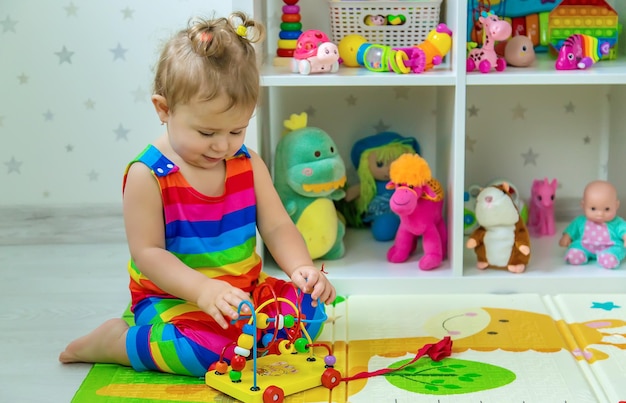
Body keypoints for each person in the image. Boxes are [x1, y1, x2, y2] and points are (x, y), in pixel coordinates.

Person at [59, 12, 336, 377]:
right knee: (211, 354)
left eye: (237, 130)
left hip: (243, 293)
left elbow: (277, 226)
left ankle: (247, 335)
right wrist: (204, 291)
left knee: (311, 313)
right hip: (175, 298)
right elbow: (148, 254)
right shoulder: (149, 175)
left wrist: (301, 269)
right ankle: (118, 342)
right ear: (164, 109)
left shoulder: (247, 164)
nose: (223, 145)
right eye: (207, 133)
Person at [559, 180, 626, 269]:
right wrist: (567, 237)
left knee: (618, 249)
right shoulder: (580, 221)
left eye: (606, 209)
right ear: (583, 205)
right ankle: (578, 254)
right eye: (593, 209)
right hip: (585, 245)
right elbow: (572, 230)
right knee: (576, 246)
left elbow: (623, 230)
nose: (600, 214)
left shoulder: (617, 222)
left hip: (610, 246)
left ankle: (609, 257)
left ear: (616, 205)